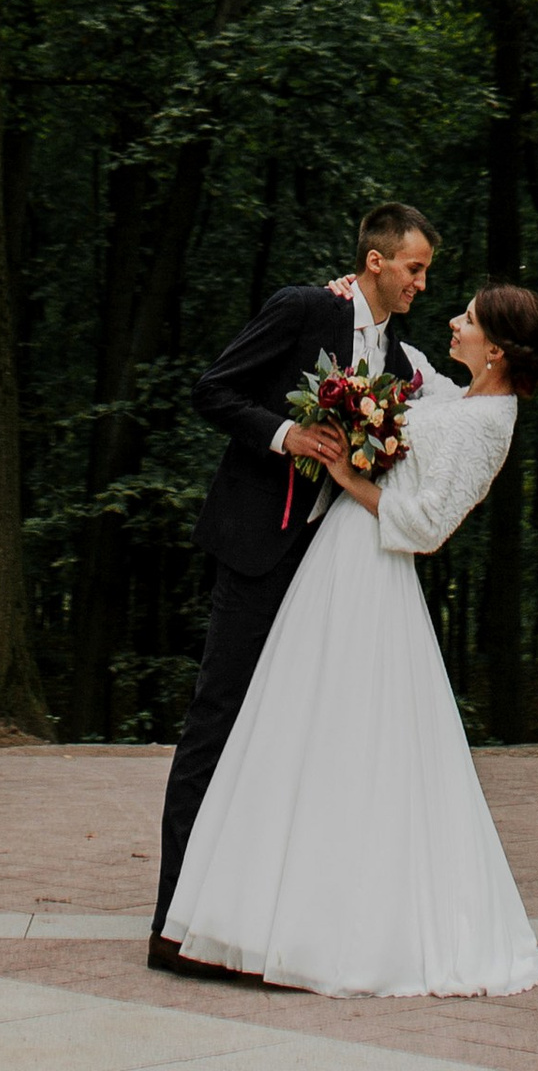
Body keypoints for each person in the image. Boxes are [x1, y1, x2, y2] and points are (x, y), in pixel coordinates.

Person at [161, 278, 538, 997]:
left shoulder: (487, 423)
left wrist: (348, 476)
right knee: (296, 731)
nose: (451, 321)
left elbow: (428, 525)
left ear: (496, 351)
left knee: (349, 740)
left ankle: (331, 922)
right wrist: (357, 303)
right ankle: (261, 906)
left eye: (466, 320)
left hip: (371, 576)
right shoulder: (457, 395)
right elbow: (397, 360)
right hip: (336, 567)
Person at [148, 202, 438, 967]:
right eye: (413, 268)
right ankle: (172, 926)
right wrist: (287, 435)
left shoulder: (402, 364)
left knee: (291, 740)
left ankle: (255, 916)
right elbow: (214, 390)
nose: (420, 284)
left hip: (332, 571)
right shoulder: (306, 308)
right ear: (375, 262)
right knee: (217, 724)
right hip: (257, 550)